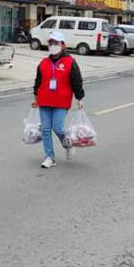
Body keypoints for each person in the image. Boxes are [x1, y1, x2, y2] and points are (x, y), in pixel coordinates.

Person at [31, 31, 85, 169]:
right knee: (45, 130)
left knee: (57, 127)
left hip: (61, 101)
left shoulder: (70, 62)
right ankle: (49, 157)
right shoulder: (43, 63)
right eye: (50, 43)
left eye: (56, 43)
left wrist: (79, 97)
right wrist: (35, 96)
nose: (53, 45)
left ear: (63, 45)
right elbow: (38, 81)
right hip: (44, 100)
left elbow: (76, 81)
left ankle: (68, 145)